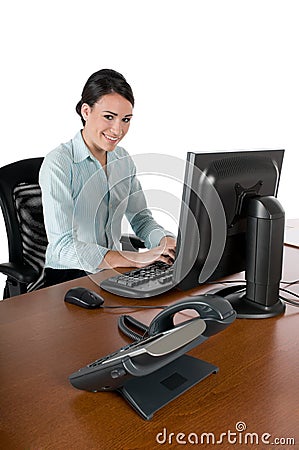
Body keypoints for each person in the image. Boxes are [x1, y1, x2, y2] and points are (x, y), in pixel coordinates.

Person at [39, 69, 176, 286]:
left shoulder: (122, 160)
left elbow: (141, 219)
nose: (118, 129)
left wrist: (165, 241)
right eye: (109, 117)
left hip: (112, 271)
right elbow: (62, 247)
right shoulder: (59, 163)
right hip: (67, 278)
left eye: (126, 119)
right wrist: (136, 258)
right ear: (86, 111)